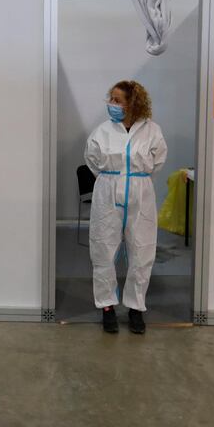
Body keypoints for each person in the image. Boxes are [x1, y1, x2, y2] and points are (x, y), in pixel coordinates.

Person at [84, 80, 167, 335]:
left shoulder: (152, 131)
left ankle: (135, 308)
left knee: (142, 252)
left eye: (118, 100)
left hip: (141, 194)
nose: (112, 104)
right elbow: (92, 160)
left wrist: (134, 178)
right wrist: (113, 178)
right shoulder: (102, 132)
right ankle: (107, 307)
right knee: (103, 250)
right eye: (111, 98)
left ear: (133, 103)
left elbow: (158, 160)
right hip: (107, 191)